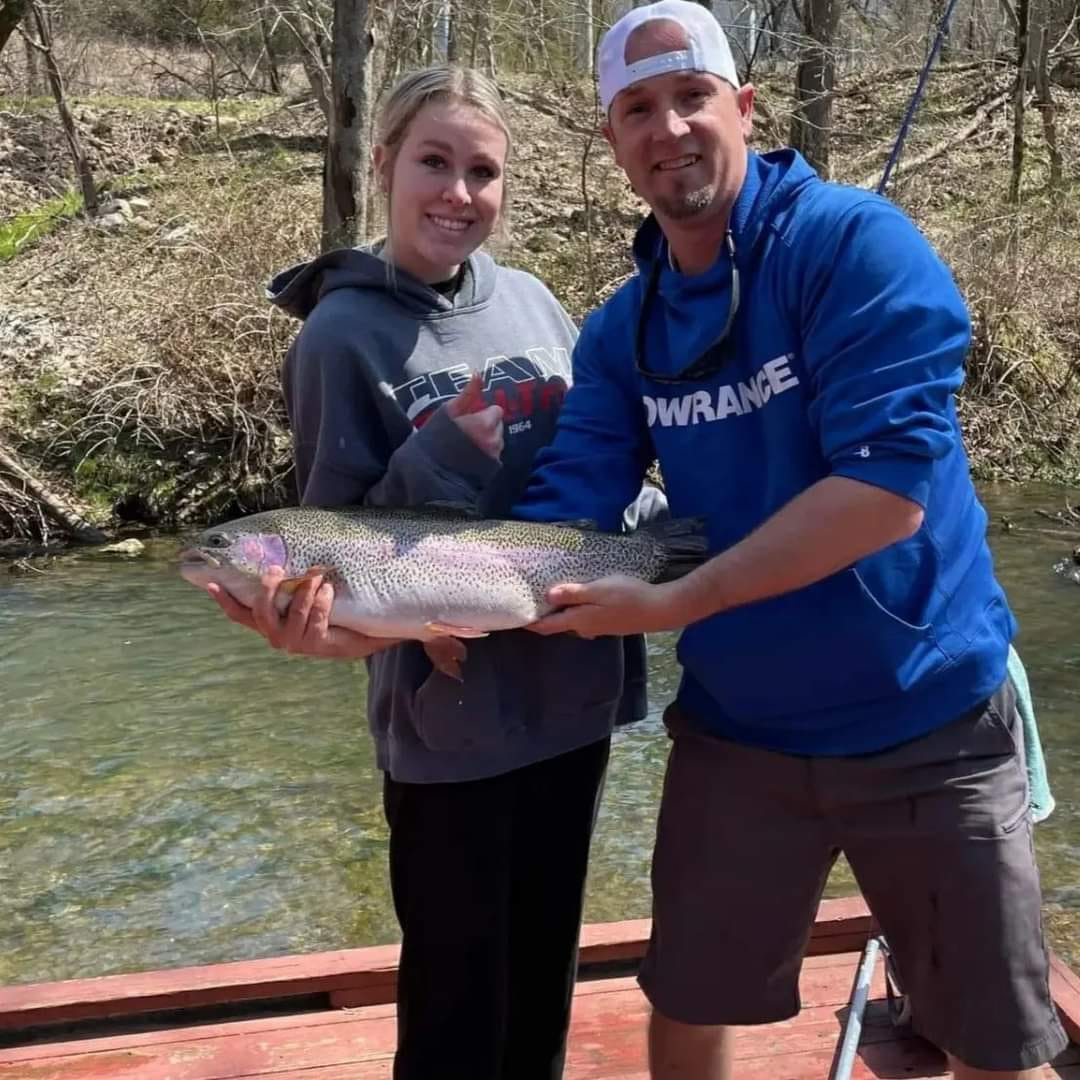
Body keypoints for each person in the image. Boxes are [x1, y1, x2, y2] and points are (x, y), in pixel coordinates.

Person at [513, 3, 1069, 1078]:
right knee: (687, 1004)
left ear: (744, 107)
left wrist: (673, 602)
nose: (668, 127)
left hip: (930, 716)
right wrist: (378, 608)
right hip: (742, 734)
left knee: (996, 1048)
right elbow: (566, 523)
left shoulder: (856, 245)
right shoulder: (619, 331)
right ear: (612, 141)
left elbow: (886, 493)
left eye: (690, 97)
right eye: (638, 109)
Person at [208, 65, 659, 1080]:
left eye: (484, 171)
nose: (460, 191)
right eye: (436, 162)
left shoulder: (539, 301)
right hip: (449, 729)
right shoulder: (340, 337)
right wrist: (445, 451)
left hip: (573, 694)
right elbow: (339, 538)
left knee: (544, 979)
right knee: (457, 1005)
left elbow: (597, 468)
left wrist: (661, 533)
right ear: (384, 165)